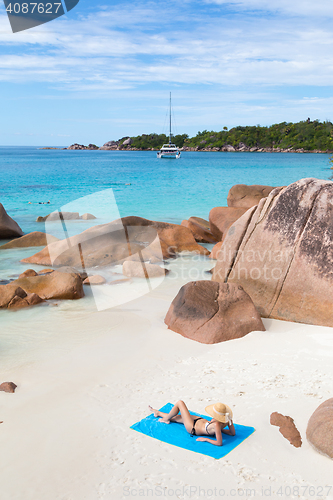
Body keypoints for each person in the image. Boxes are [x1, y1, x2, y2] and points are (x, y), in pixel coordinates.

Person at [148, 400, 235, 446]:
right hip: (200, 420)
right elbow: (232, 433)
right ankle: (158, 413)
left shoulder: (216, 425)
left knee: (180, 403)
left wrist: (206, 439)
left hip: (193, 427)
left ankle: (165, 419)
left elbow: (219, 443)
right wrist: (219, 430)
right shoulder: (228, 419)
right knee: (177, 417)